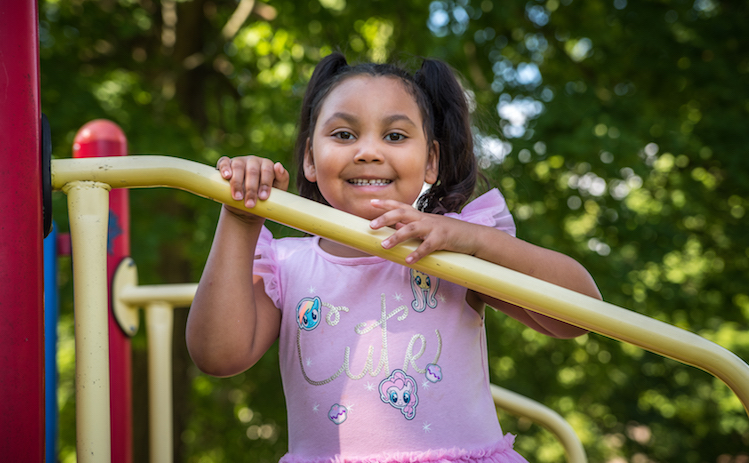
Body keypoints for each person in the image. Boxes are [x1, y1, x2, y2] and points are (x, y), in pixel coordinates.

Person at [186, 52, 602, 462]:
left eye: (395, 136)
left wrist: (476, 241)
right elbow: (218, 355)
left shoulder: (455, 255)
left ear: (431, 162)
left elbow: (581, 315)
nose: (368, 151)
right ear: (310, 159)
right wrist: (240, 220)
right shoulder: (288, 263)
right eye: (344, 135)